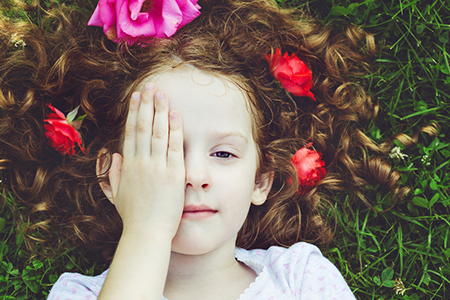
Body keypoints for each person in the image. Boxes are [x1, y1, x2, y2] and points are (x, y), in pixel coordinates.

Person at [0, 0, 413, 299]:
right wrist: (147, 231)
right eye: (165, 151)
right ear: (112, 176)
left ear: (261, 180)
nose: (194, 175)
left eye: (223, 154)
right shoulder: (80, 295)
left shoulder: (300, 275)